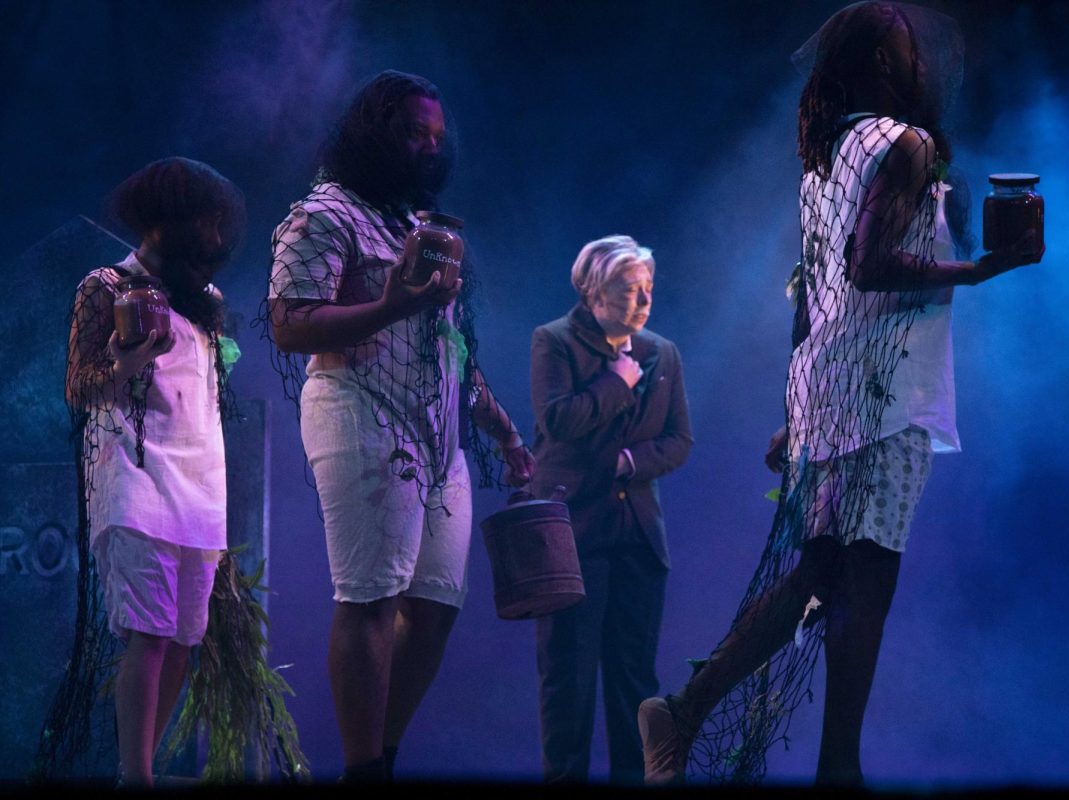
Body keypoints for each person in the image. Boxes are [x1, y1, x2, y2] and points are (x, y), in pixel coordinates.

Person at [639, 1, 1043, 786]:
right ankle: (817, 759)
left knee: (824, 568)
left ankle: (702, 715)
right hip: (881, 393)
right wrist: (980, 269)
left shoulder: (829, 156)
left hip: (829, 386)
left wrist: (796, 413)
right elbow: (868, 266)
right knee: (864, 583)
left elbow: (814, 294)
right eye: (911, 51)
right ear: (888, 65)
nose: (926, 62)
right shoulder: (905, 144)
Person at [266, 70, 536, 783]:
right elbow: (289, 322)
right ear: (376, 131)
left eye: (437, 138)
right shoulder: (323, 214)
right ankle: (366, 769)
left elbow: (447, 343)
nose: (428, 148)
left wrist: (502, 429)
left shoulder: (418, 224)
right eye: (415, 133)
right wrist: (387, 306)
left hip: (437, 432)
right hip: (359, 410)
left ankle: (380, 755)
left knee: (438, 604)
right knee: (370, 596)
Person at [64, 156, 245, 786]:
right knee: (147, 632)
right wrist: (125, 362)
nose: (217, 239)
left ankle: (135, 770)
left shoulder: (208, 303)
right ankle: (135, 774)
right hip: (135, 479)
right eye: (207, 223)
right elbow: (79, 388)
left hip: (200, 483)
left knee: (181, 638)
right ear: (170, 223)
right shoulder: (106, 286)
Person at [529, 235, 693, 784]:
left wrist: (632, 460)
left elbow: (679, 440)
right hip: (574, 534)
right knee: (568, 682)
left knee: (634, 684)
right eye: (629, 289)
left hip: (638, 539)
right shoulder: (554, 342)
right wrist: (616, 381)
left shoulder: (662, 352)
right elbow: (557, 422)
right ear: (595, 293)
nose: (643, 301)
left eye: (648, 288)